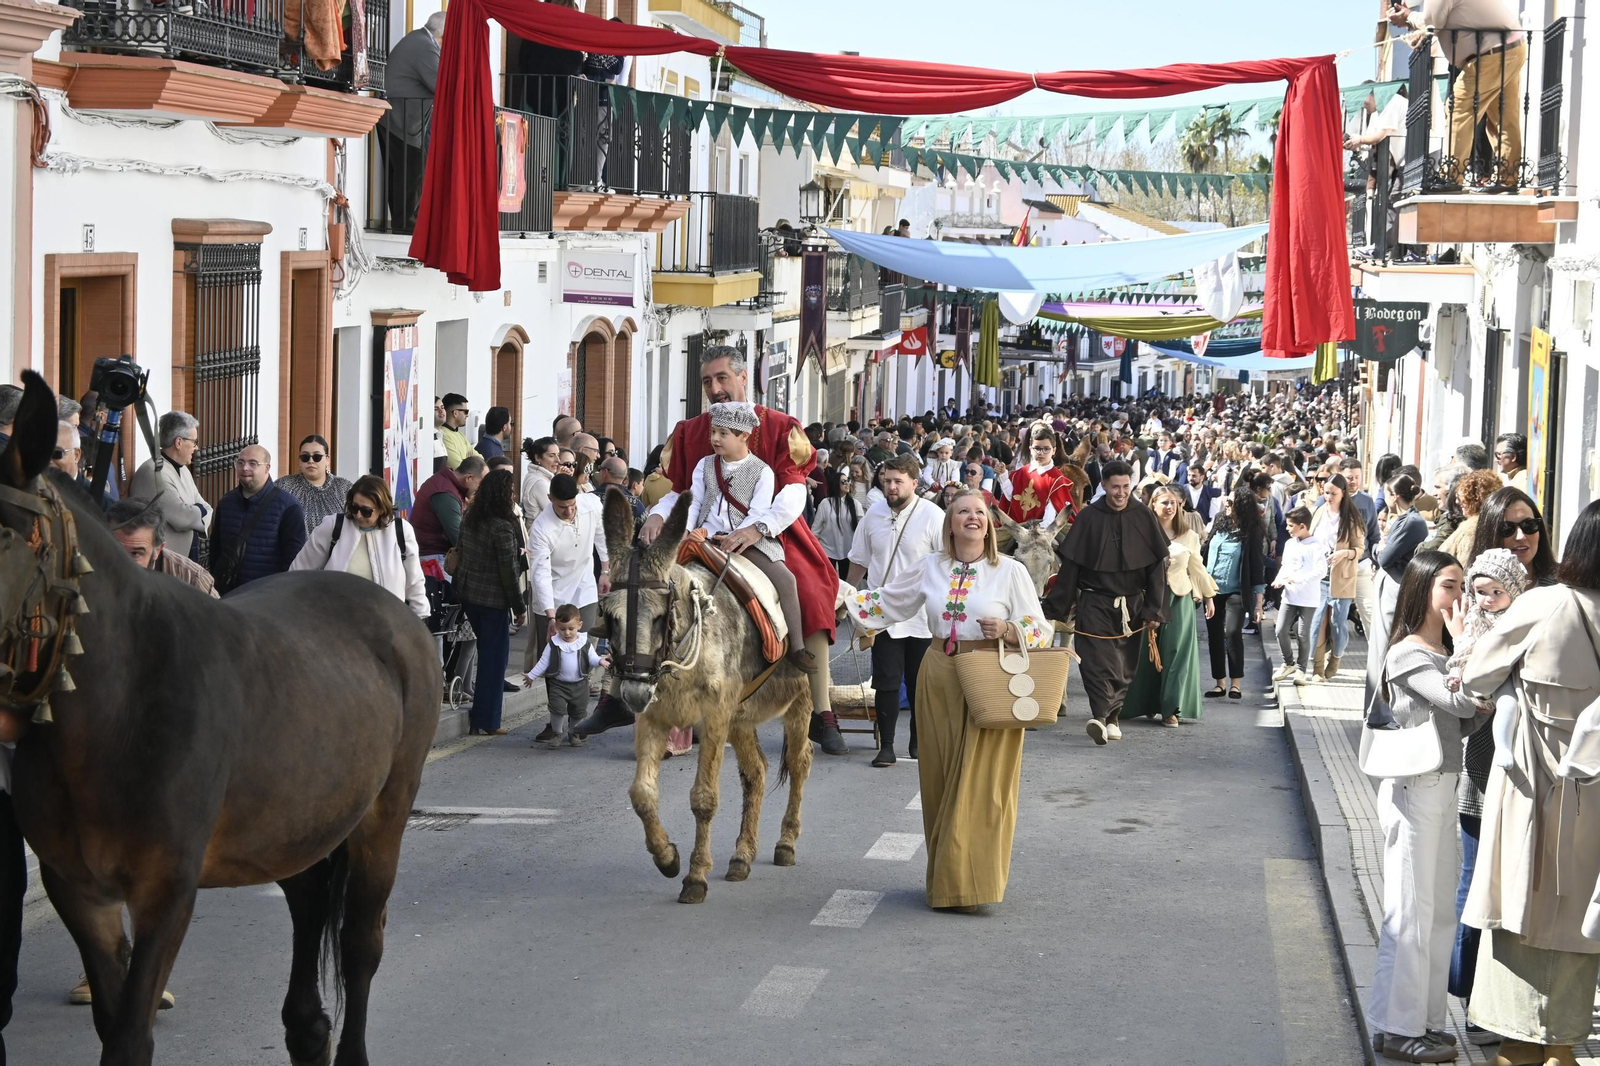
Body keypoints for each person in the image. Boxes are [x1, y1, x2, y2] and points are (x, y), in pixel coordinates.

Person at [595, 346, 845, 754]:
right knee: (640, 585)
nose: (715, 388)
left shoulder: (781, 426)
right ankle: (615, 694)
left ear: (743, 378)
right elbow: (680, 491)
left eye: (722, 378)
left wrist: (755, 529)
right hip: (701, 531)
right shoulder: (691, 430)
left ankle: (820, 708)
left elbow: (793, 490)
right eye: (708, 381)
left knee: (811, 588)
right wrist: (658, 515)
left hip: (771, 530)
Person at [847, 488, 1052, 911]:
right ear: (950, 522)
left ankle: (973, 885)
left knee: (982, 785)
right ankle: (947, 878)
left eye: (979, 511)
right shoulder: (930, 567)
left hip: (992, 678)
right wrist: (840, 597)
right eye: (962, 511)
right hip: (938, 674)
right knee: (940, 781)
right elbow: (889, 603)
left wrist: (1011, 631)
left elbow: (1040, 629)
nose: (972, 518)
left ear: (990, 524)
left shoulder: (1009, 570)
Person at [1458, 500, 1600, 1066]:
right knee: (1565, 1027)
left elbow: (1475, 674)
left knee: (1517, 1035)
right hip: (1591, 840)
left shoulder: (1546, 604)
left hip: (1531, 821)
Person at [1366, 551, 1480, 1065]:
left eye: (1462, 586)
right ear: (1423, 589)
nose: (1460, 596)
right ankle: (1397, 1028)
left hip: (1444, 784)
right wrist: (1471, 658)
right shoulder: (1409, 653)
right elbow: (1457, 703)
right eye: (1450, 586)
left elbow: (1466, 723)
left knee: (1436, 914)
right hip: (1413, 787)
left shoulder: (1447, 649)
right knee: (1409, 912)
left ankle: (1428, 1022)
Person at [682, 401, 815, 674]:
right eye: (714, 432)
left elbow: (758, 512)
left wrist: (740, 536)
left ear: (743, 435)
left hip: (747, 539)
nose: (715, 439)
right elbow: (694, 503)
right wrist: (685, 530)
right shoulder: (704, 465)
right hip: (704, 537)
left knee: (787, 581)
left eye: (723, 433)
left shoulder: (762, 471)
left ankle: (797, 648)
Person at [1042, 460, 1169, 745]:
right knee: (1097, 663)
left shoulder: (1143, 516)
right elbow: (1072, 567)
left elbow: (1156, 569)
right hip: (1095, 603)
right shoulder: (1089, 517)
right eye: (1115, 487)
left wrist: (1154, 609)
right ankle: (1100, 716)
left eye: (1126, 487)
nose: (1121, 493)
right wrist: (1054, 606)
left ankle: (1113, 717)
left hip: (1133, 605)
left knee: (1125, 666)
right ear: (1104, 486)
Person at [845, 453, 942, 767]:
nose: (891, 486)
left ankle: (917, 742)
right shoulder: (872, 514)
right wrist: (844, 597)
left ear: (914, 482)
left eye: (898, 481)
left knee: (919, 682)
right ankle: (886, 746)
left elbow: (945, 564)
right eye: (886, 480)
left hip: (921, 615)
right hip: (881, 612)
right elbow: (859, 559)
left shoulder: (933, 516)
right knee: (885, 681)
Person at [1389, 0, 1525, 190]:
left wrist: (1408, 17)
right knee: (1503, 117)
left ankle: (1452, 177)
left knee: (1458, 108)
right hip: (1511, 48)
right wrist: (1421, 31)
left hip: (1490, 54)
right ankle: (1508, 177)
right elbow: (1445, 22)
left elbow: (1432, 22)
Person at [1124, 485, 1216, 726]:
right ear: (1152, 505)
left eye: (1173, 503)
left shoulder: (1190, 536)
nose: (1169, 507)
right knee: (1144, 653)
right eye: (1164, 502)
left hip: (1180, 597)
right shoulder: (1141, 532)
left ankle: (1171, 708)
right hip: (1146, 598)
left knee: (1176, 652)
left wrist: (1208, 595)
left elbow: (1197, 567)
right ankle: (1146, 703)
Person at [290, 474, 428, 618]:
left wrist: (421, 618)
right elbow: (298, 572)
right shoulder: (333, 526)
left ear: (381, 508)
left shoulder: (401, 531)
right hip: (337, 623)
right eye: (354, 508)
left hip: (387, 624)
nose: (358, 515)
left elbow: (414, 581)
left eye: (366, 511)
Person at [453, 468, 527, 736]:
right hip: (493, 600)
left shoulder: (470, 516)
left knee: (484, 656)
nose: (513, 495)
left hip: (469, 594)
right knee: (494, 661)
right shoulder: (503, 526)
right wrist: (519, 608)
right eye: (511, 490)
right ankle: (487, 720)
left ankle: (480, 719)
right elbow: (508, 571)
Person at [527, 472, 606, 670]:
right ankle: (554, 698)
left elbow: (602, 536)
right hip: (553, 594)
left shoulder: (592, 504)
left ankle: (581, 691)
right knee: (554, 658)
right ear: (550, 498)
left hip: (584, 586)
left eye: (573, 505)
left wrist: (605, 570)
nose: (569, 511)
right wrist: (551, 617)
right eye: (562, 507)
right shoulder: (540, 528)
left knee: (583, 650)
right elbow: (540, 574)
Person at [208, 445, 306, 594]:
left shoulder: (288, 506)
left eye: (253, 463)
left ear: (267, 468)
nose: (245, 468)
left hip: (266, 597)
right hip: (229, 596)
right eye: (240, 462)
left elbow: (293, 559)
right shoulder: (226, 502)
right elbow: (215, 550)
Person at [380, 11, 443, 231]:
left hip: (397, 117)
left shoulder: (419, 39)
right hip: (401, 118)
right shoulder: (425, 46)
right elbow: (442, 85)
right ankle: (407, 225)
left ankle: (403, 222)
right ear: (442, 34)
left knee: (402, 172)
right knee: (412, 171)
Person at [1202, 490, 1266, 701]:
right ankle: (1219, 683)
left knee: (1232, 633)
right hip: (1212, 590)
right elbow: (1205, 551)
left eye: (1231, 502)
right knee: (1214, 636)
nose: (1226, 504)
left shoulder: (1252, 530)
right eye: (1226, 501)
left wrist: (1258, 604)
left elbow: (1257, 567)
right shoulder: (1220, 521)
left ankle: (1236, 684)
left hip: (1236, 592)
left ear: (1243, 505)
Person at [129, 411, 210, 562]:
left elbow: (207, 507)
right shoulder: (154, 471)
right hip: (165, 560)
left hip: (184, 554)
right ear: (179, 442)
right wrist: (199, 510)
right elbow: (181, 517)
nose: (196, 448)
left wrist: (197, 509)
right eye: (194, 442)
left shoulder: (183, 469)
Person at [1307, 473, 1366, 681]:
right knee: (1317, 621)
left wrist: (1344, 553)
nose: (1328, 497)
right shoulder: (1318, 512)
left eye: (1333, 493)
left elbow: (1359, 549)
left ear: (1343, 493)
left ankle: (1336, 658)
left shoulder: (1351, 518)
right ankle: (1317, 668)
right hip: (1319, 575)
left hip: (1342, 576)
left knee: (1338, 622)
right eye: (1326, 493)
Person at [525, 603, 608, 749]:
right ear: (556, 626)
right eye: (562, 629)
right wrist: (531, 675)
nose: (567, 633)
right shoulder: (553, 643)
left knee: (579, 712)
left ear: (579, 625)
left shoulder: (584, 642)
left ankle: (573, 733)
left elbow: (592, 659)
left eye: (571, 629)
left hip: (580, 684)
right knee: (556, 710)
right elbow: (543, 662)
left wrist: (601, 661)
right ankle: (557, 733)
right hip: (558, 684)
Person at [107, 497, 218, 597]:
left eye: (135, 553)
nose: (124, 562)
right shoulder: (93, 574)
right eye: (117, 550)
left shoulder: (192, 580)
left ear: (158, 550)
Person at [1273, 506, 1325, 684]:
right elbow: (1285, 566)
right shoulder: (1289, 544)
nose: (1287, 529)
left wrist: (1299, 579)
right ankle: (1288, 663)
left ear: (1302, 526)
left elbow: (1321, 571)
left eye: (1290, 525)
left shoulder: (1316, 545)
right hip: (1289, 595)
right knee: (1280, 630)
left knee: (1303, 633)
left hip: (1308, 598)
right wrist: (1279, 580)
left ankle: (1302, 669)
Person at [411, 456, 487, 571]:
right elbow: (458, 537)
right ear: (469, 478)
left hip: (434, 555)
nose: (480, 490)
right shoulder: (445, 493)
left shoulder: (447, 484)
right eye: (481, 484)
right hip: (435, 558)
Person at [275, 434, 353, 536]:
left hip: (336, 550)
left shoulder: (344, 488)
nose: (311, 461)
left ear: (327, 459)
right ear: (299, 461)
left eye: (317, 457)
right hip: (295, 551)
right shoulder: (284, 486)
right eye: (305, 457)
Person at [1002, 423, 1073, 525]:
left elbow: (1050, 516)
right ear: (1031, 449)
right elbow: (1012, 498)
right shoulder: (1020, 473)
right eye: (1037, 448)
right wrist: (1003, 476)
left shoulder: (1057, 480)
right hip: (1016, 528)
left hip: (1041, 531)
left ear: (1053, 451)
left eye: (1046, 449)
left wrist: (1038, 531)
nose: (1041, 453)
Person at [1438, 469, 1503, 564]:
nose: (1457, 502)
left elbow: (1464, 566)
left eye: (1460, 498)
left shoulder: (1471, 531)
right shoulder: (1492, 523)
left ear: (1474, 498)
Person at [812, 468, 862, 579]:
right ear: (836, 484)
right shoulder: (825, 504)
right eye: (843, 481)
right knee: (828, 580)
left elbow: (862, 528)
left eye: (848, 480)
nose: (847, 483)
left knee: (846, 581)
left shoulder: (855, 504)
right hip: (827, 549)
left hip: (848, 550)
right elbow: (816, 529)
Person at [521, 435, 561, 526]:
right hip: (539, 534)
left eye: (558, 455)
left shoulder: (536, 476)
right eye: (551, 456)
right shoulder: (539, 483)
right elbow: (558, 513)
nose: (558, 460)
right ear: (538, 457)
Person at [439, 394, 481, 470]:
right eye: (466, 411)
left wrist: (466, 461)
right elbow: (459, 468)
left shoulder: (461, 435)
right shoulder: (443, 435)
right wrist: (470, 461)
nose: (467, 415)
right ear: (455, 413)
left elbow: (481, 459)